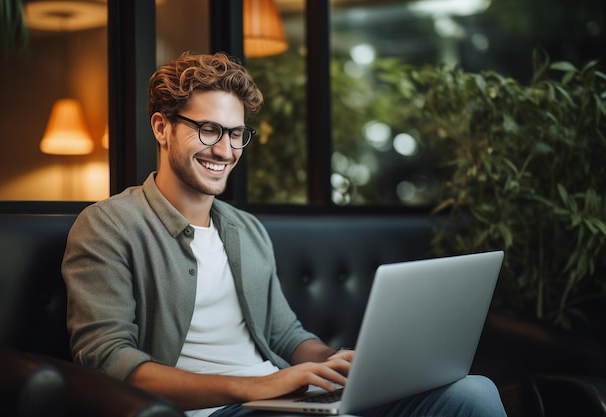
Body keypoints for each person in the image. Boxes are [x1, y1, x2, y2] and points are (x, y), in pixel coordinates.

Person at [62, 51, 507, 417]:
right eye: (209, 129)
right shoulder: (108, 225)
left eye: (237, 134)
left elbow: (287, 337)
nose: (225, 150)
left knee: (473, 394)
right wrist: (258, 387)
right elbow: (109, 362)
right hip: (218, 411)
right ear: (162, 127)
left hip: (285, 402)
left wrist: (340, 363)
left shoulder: (246, 230)